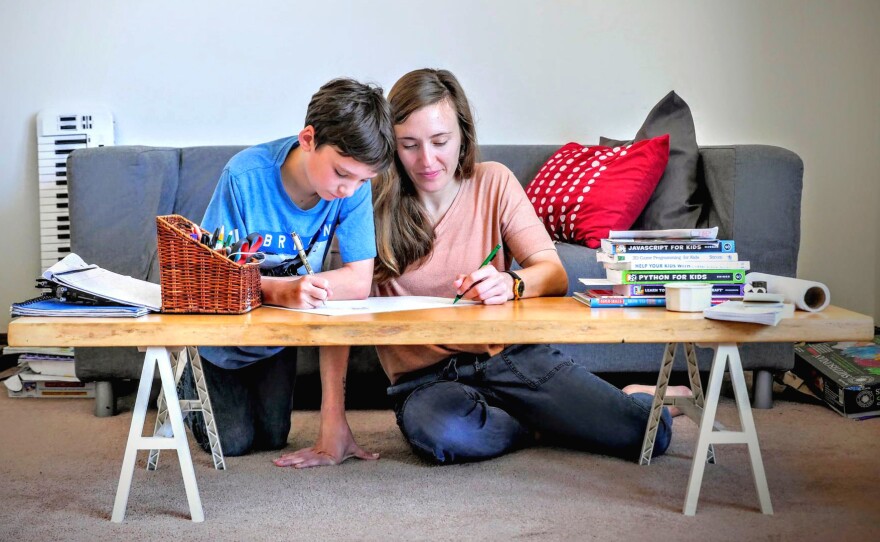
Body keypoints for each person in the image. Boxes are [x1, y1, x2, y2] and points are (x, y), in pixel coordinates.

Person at [274, 68, 685, 468]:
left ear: (463, 135)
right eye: (409, 144)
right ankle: (542, 425)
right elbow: (336, 311)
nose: (428, 160)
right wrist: (332, 419)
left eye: (440, 141)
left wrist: (511, 282)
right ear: (388, 146)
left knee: (648, 435)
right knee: (440, 434)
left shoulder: (494, 182)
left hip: (510, 359)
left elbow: (553, 273)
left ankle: (636, 397)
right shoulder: (366, 199)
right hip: (425, 383)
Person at [185, 77, 395, 457]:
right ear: (308, 139)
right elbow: (215, 276)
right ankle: (186, 375)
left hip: (275, 342)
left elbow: (359, 280)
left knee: (272, 438)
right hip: (221, 340)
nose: (349, 190)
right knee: (232, 443)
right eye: (342, 174)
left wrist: (296, 291)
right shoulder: (243, 176)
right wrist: (282, 290)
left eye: (363, 179)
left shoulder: (354, 188)